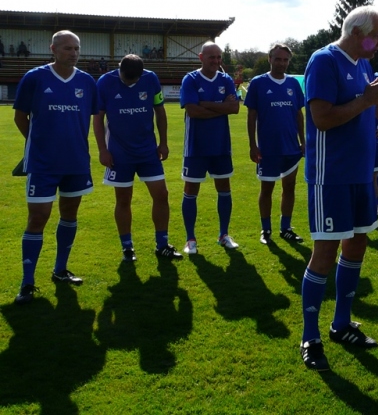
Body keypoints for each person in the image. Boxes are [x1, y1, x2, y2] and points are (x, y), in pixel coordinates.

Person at [299, 6, 378, 371]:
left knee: (358, 244)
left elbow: (373, 111)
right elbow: (322, 118)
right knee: (325, 252)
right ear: (359, 33)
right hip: (332, 176)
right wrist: (366, 100)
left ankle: (341, 324)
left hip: (362, 174)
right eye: (376, 37)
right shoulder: (323, 60)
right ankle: (310, 337)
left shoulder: (363, 65)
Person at [12, 30, 98, 305]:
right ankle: (27, 282)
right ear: (53, 49)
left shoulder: (86, 81)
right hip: (43, 163)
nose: (73, 53)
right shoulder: (35, 78)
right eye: (67, 48)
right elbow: (20, 116)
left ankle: (60, 269)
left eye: (76, 48)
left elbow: (94, 118)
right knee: (38, 218)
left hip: (75, 162)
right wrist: (37, 142)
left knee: (70, 213)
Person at [93, 54, 182, 262]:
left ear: (141, 74)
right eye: (125, 79)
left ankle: (162, 245)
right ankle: (127, 248)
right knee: (123, 199)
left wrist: (163, 142)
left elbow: (160, 111)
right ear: (119, 70)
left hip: (147, 151)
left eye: (134, 80)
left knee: (162, 194)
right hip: (118, 153)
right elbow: (98, 118)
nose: (129, 83)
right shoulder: (105, 82)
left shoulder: (151, 79)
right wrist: (102, 149)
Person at [180, 41, 240, 254]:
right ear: (201, 57)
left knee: (224, 189)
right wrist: (222, 107)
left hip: (221, 146)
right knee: (191, 190)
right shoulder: (191, 79)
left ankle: (223, 235)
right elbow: (193, 112)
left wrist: (205, 103)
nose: (216, 61)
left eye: (219, 57)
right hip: (196, 147)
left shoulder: (226, 80)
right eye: (211, 57)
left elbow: (235, 108)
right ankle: (190, 240)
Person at [245, 43, 305, 246]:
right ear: (270, 59)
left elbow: (299, 114)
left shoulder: (294, 84)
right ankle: (266, 229)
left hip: (291, 147)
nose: (282, 63)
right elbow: (251, 115)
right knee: (267, 188)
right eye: (278, 59)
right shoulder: (258, 83)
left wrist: (303, 141)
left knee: (289, 187)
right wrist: (253, 145)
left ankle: (286, 228)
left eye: (285, 60)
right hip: (268, 149)